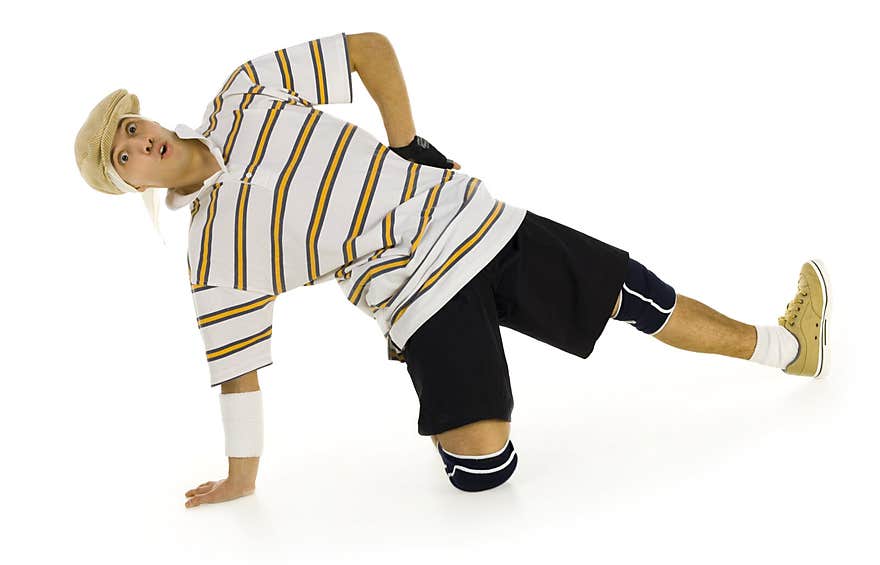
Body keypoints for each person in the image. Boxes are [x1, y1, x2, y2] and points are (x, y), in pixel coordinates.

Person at [74, 32, 830, 508]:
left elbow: (369, 50)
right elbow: (237, 369)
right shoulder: (212, 252)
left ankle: (789, 348)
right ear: (133, 188)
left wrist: (406, 149)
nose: (139, 143)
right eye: (123, 155)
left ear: (153, 120)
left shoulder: (245, 92)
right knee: (483, 478)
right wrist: (242, 478)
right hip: (412, 299)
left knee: (635, 293)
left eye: (133, 127)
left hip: (465, 221)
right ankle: (461, 385)